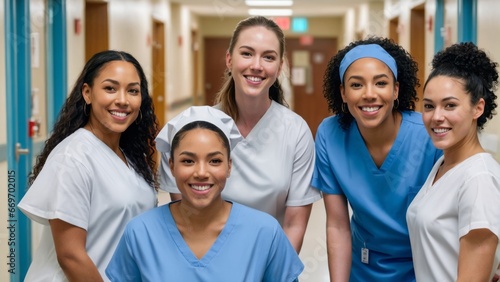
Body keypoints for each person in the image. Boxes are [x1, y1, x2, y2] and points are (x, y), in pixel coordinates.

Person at [158, 16, 321, 252]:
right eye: (246, 53)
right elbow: (183, 217)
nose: (257, 65)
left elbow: (294, 224)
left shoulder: (295, 131)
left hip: (270, 262)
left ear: (280, 66)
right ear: (229, 59)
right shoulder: (196, 127)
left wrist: (275, 274)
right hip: (202, 259)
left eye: (268, 57)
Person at [106, 106, 304, 281]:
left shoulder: (265, 233)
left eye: (214, 161)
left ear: (229, 166)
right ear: (172, 166)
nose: (201, 173)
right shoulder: (141, 233)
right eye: (188, 161)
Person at [17, 50, 158, 281]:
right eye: (110, 88)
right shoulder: (73, 158)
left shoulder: (129, 154)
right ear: (87, 93)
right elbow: (71, 256)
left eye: (132, 90)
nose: (122, 100)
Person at [312, 37, 442, 281]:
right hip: (363, 266)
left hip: (426, 266)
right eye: (356, 85)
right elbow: (338, 226)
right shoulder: (330, 135)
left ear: (395, 90)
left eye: (381, 83)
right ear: (343, 92)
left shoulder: (428, 135)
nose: (369, 95)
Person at [406, 42, 500, 281]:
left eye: (450, 105)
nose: (437, 117)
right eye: (429, 106)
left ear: (478, 107)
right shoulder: (444, 166)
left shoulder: (478, 178)